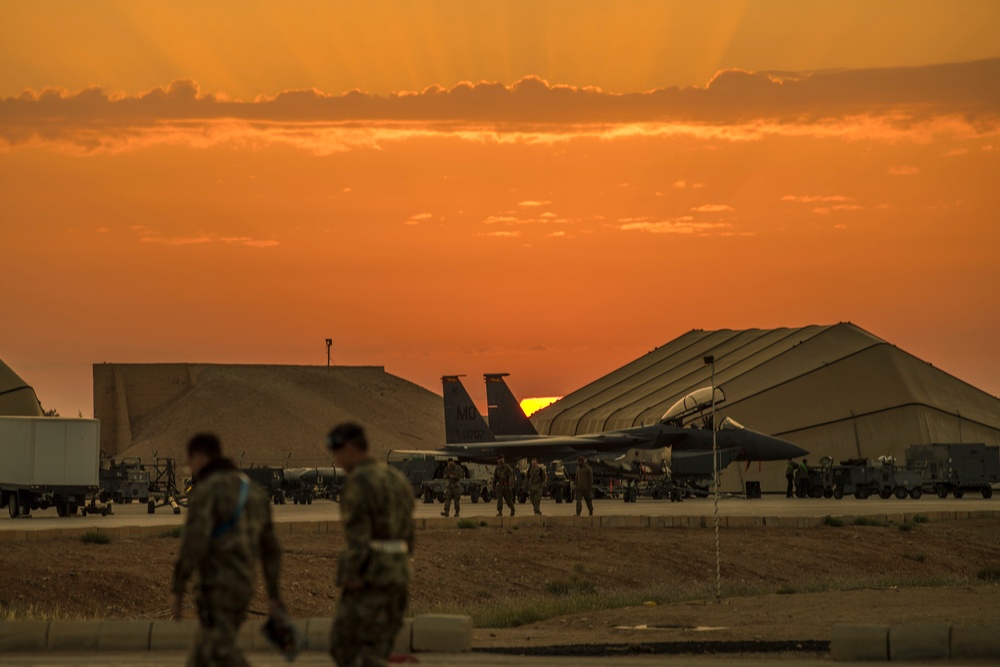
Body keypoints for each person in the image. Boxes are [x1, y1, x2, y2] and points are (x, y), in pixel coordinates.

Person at [170, 433, 283, 667]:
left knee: (221, 652)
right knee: (200, 656)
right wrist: (273, 594)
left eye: (190, 461)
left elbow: (193, 544)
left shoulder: (206, 491)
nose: (190, 467)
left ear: (199, 457)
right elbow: (271, 548)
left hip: (218, 588)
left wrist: (178, 589)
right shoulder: (253, 491)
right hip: (243, 585)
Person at [327, 422, 415, 667]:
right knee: (378, 648)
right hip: (398, 574)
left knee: (345, 647)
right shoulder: (396, 479)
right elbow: (409, 534)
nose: (336, 459)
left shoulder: (358, 484)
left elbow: (358, 539)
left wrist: (352, 576)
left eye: (338, 452)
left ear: (352, 448)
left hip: (370, 578)